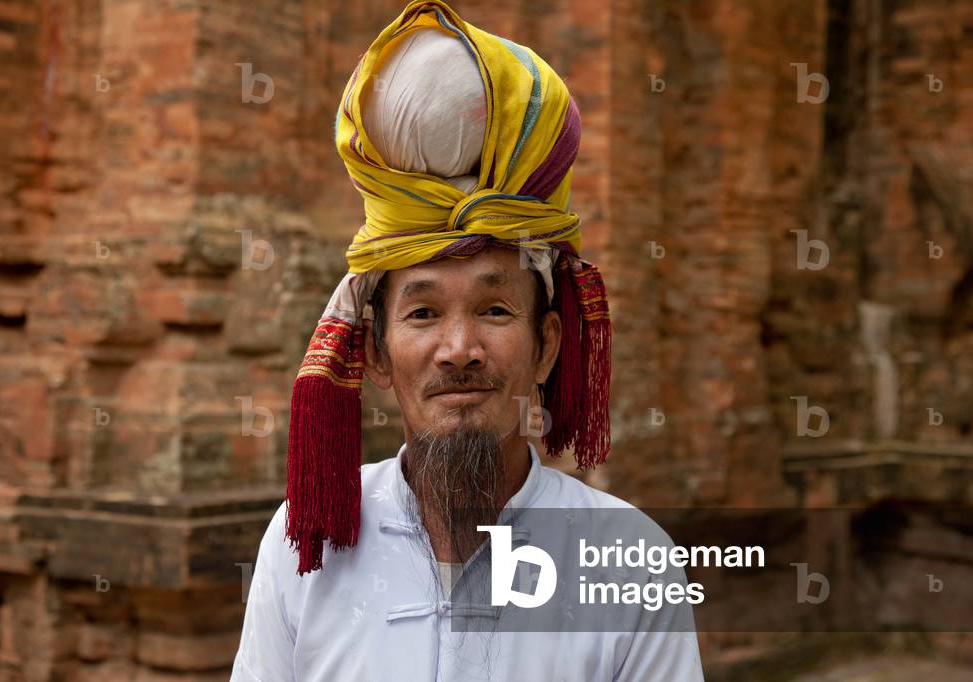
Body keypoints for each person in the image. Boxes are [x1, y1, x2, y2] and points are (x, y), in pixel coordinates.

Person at [232, 1, 704, 680]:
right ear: (374, 353)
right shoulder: (304, 545)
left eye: (494, 310)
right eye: (422, 315)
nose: (459, 348)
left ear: (546, 347)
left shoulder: (629, 557)